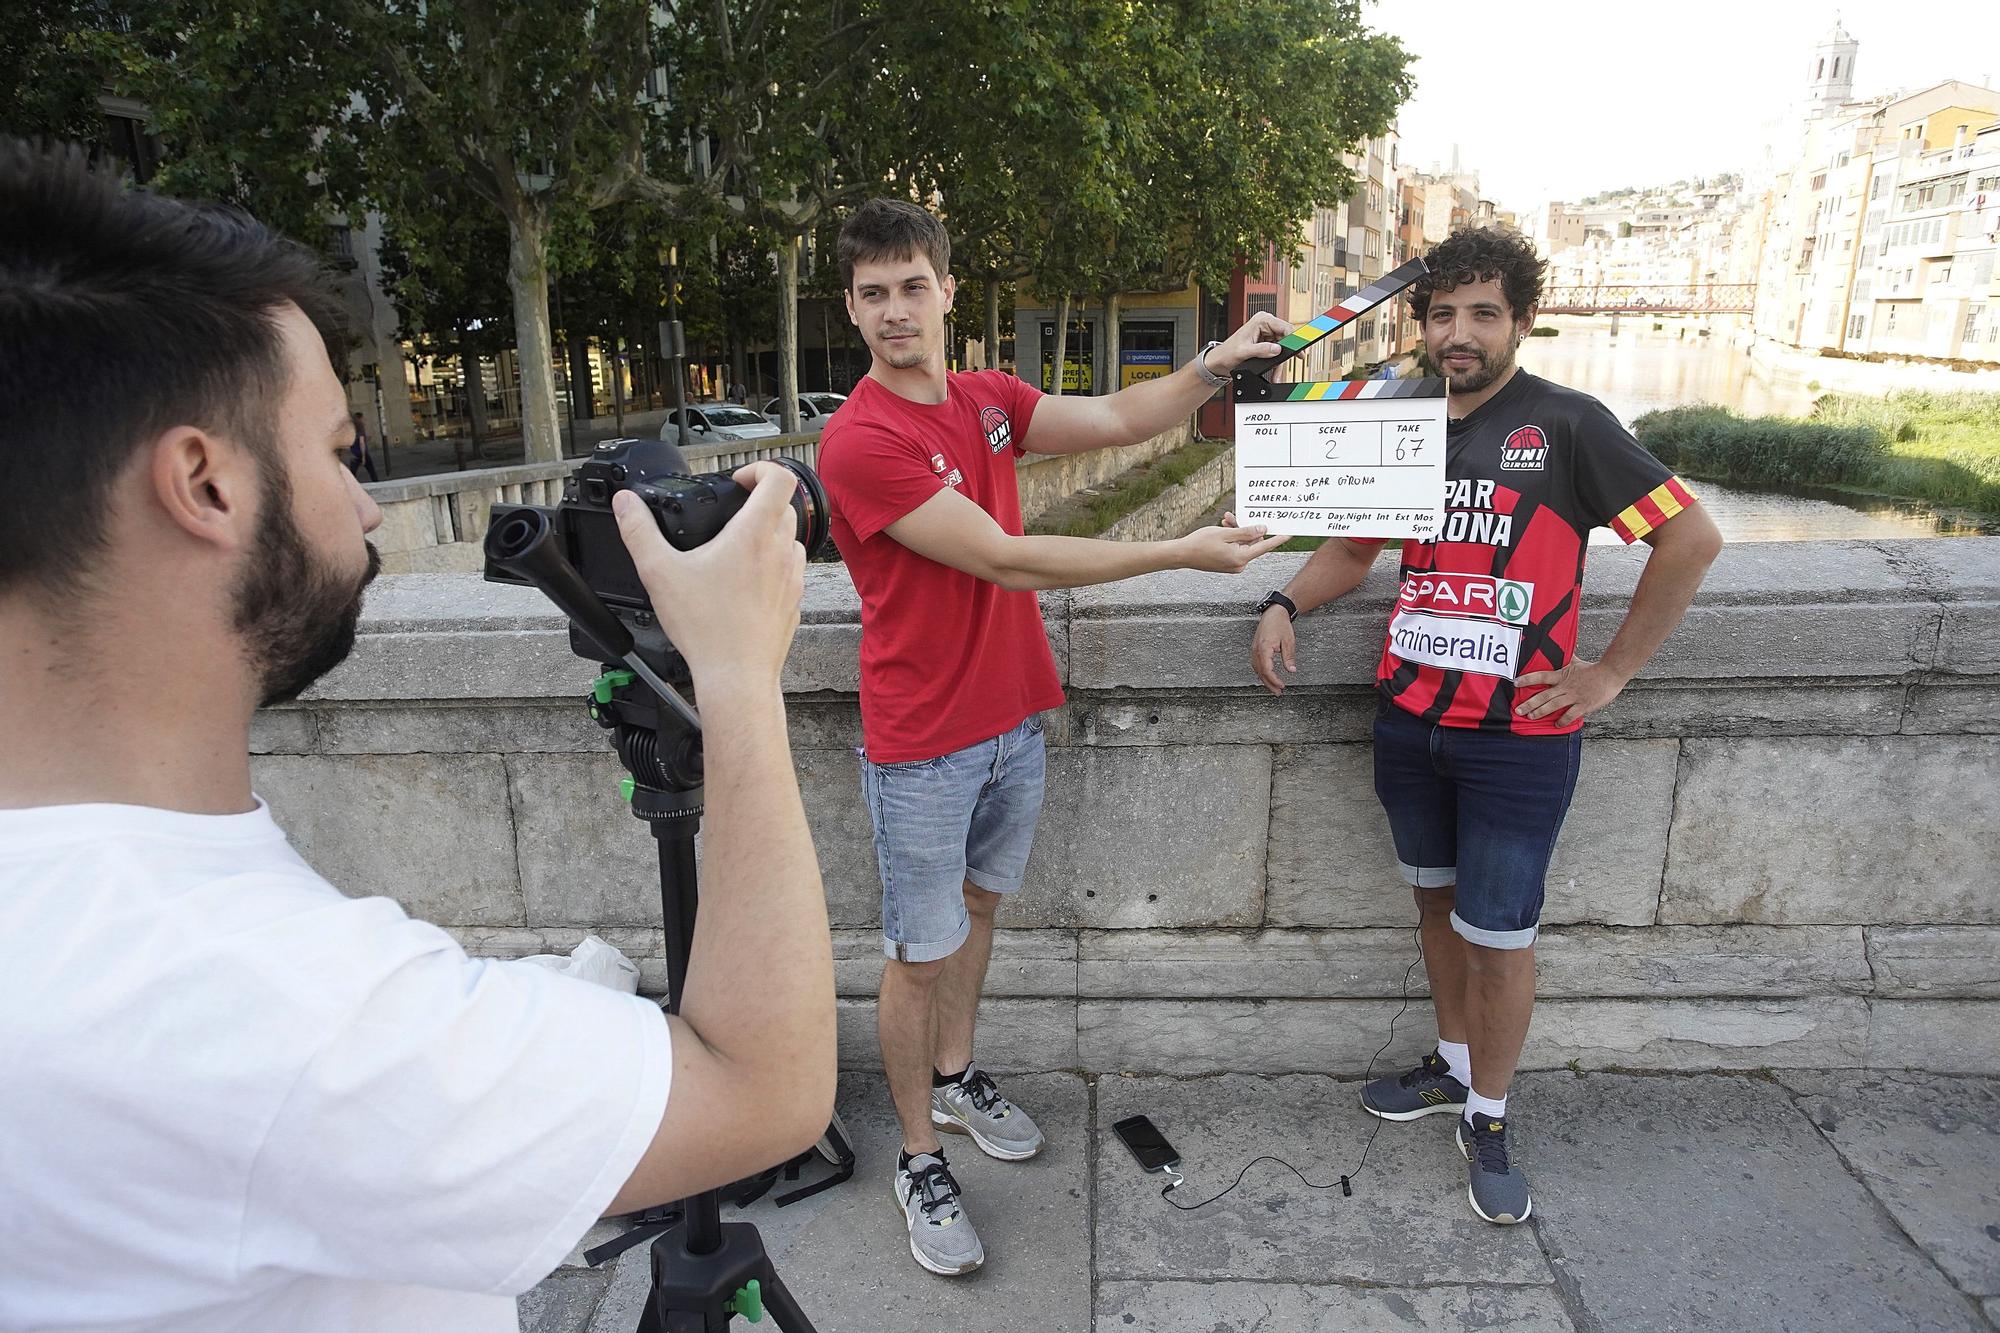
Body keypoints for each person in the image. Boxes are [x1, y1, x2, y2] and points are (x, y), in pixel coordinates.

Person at [0, 140, 835, 1329]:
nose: (364, 502)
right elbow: (766, 1091)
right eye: (344, 453)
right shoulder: (274, 1011)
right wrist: (741, 674)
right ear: (206, 484)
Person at [816, 198, 1288, 1277]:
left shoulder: (985, 401)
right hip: (923, 741)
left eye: (911, 286)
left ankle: (957, 1070)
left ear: (946, 288)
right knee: (915, 949)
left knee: (978, 913)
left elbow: (1125, 417)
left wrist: (1213, 363)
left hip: (1009, 718)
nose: (896, 310)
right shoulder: (860, 441)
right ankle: (920, 1155)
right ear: (851, 310)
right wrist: (1177, 556)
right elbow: (1007, 559)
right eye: (873, 293)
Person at [1246, 226, 1722, 1226]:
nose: (1457, 332)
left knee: (1497, 936)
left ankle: (1491, 1115)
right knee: (1433, 910)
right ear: (1421, 324)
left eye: (1481, 313)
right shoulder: (1402, 418)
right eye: (1442, 313)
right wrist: (1283, 603)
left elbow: (1688, 534)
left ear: (1520, 320)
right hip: (1409, 716)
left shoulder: (1564, 424)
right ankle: (1452, 1066)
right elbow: (1353, 547)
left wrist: (1609, 672)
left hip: (1518, 735)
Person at [348, 409, 380, 481]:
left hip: (354, 454)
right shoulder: (360, 427)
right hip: (362, 452)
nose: (364, 420)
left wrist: (367, 438)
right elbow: (361, 442)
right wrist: (363, 457)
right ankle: (376, 483)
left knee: (352, 473)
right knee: (371, 471)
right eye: (363, 418)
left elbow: (355, 440)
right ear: (360, 419)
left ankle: (351, 486)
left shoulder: (352, 429)